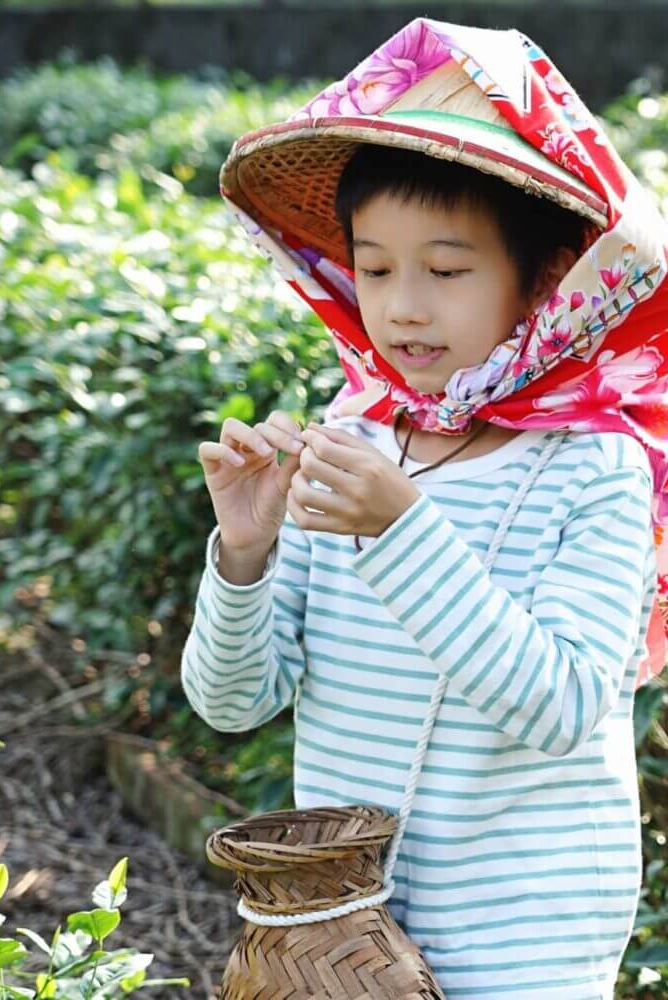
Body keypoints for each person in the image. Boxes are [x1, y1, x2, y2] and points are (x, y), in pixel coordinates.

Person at [181, 17, 668, 999]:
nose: (401, 307)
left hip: (523, 932)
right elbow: (234, 701)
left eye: (445, 270)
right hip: (340, 933)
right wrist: (243, 554)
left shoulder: (593, 468)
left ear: (540, 279)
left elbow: (562, 703)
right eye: (372, 266)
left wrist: (402, 529)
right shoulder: (352, 435)